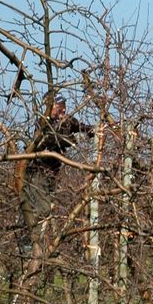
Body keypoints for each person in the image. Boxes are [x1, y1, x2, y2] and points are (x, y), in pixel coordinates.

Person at [22, 93, 93, 222]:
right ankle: (29, 237)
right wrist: (71, 140)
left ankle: (39, 236)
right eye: (60, 106)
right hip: (39, 172)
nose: (64, 109)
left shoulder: (67, 121)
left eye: (64, 105)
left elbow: (83, 128)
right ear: (50, 107)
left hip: (52, 173)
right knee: (42, 210)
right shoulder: (43, 124)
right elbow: (52, 140)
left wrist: (94, 130)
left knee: (48, 209)